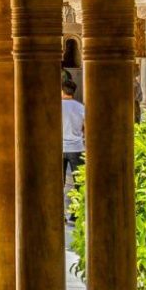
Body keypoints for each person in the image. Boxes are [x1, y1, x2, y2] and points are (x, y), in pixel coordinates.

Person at [61, 78, 86, 221]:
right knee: (79, 183)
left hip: (60, 147)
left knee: (59, 182)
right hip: (77, 147)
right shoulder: (80, 107)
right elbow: (85, 128)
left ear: (62, 91)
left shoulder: (56, 106)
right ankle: (76, 214)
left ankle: (60, 214)